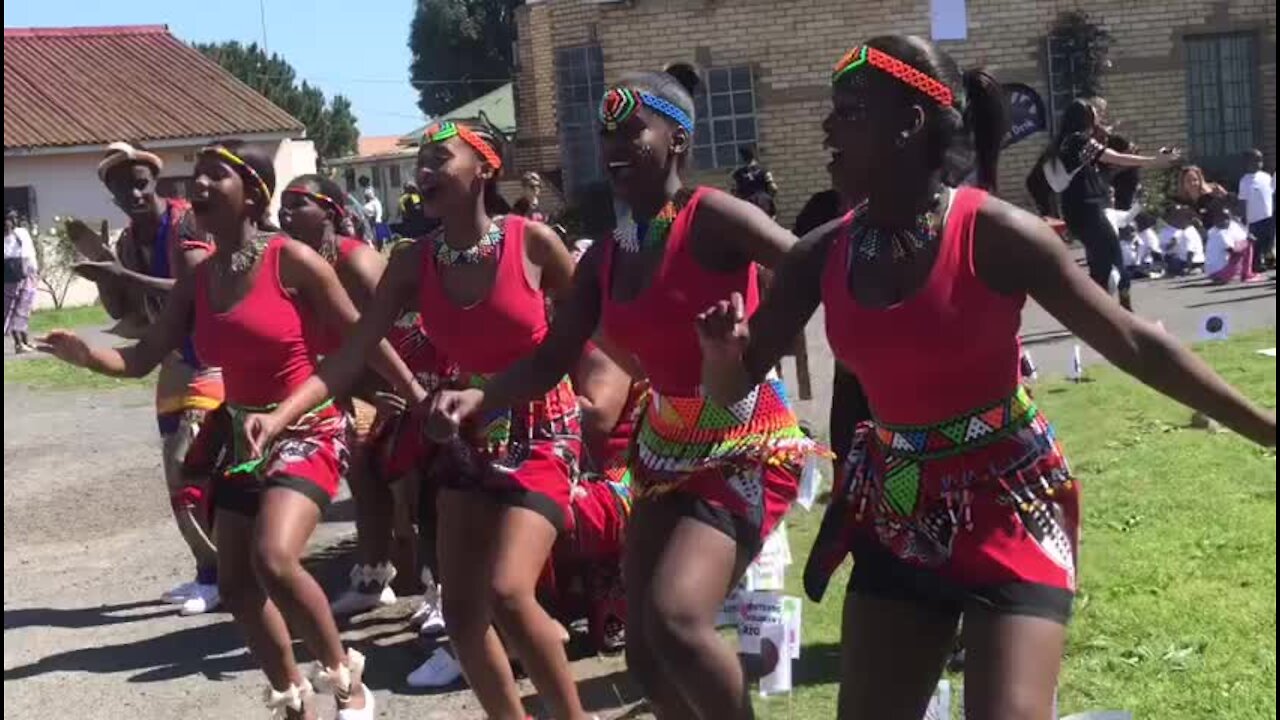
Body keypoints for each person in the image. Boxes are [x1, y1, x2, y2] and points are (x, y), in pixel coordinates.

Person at [692, 35, 1276, 720]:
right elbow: (731, 393)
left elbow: (1135, 344)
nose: (826, 127)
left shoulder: (997, 235)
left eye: (849, 112)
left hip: (1011, 497)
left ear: (909, 125)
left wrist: (1266, 428)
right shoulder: (821, 254)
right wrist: (719, 354)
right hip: (899, 502)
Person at [427, 65, 823, 720]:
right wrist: (482, 400)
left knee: (677, 620)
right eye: (603, 132)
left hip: (741, 442)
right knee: (644, 651)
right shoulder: (605, 255)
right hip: (664, 453)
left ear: (678, 142)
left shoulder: (712, 216)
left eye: (630, 130)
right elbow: (551, 358)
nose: (612, 145)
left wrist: (754, 345)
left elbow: (806, 264)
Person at [39, 141, 424, 719]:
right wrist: (86, 355)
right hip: (244, 435)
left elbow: (359, 332)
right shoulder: (199, 276)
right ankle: (294, 699)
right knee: (239, 585)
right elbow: (142, 358)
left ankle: (347, 682)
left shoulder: (290, 259)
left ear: (251, 195)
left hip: (306, 427)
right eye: (194, 175)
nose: (198, 184)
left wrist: (416, 397)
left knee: (274, 556)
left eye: (215, 175)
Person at [242, 119, 592, 720]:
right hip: (466, 441)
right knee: (459, 613)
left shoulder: (532, 242)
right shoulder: (412, 263)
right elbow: (351, 356)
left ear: (484, 168)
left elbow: (589, 322)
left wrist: (608, 393)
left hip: (542, 430)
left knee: (508, 592)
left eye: (440, 158)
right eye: (420, 160)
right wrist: (280, 417)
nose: (423, 170)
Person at [67, 142, 227, 615]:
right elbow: (126, 311)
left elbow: (194, 288)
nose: (135, 193)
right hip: (174, 362)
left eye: (141, 183)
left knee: (191, 466)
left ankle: (222, 575)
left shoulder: (185, 223)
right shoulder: (125, 242)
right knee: (174, 474)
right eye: (124, 187)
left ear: (153, 182)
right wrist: (104, 276)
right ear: (112, 195)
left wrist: (122, 273)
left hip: (211, 357)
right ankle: (208, 571)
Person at [277, 174, 409, 616]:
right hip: (347, 384)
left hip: (396, 385)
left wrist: (400, 390)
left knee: (416, 490)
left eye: (298, 204)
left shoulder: (356, 262)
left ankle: (439, 588)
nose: (286, 214)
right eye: (283, 205)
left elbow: (404, 330)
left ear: (331, 212)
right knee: (366, 483)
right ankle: (373, 577)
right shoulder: (293, 267)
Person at [1052, 98, 1179, 311]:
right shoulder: (1078, 140)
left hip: (1078, 211)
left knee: (1099, 263)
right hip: (1089, 210)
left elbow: (1102, 166)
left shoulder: (1066, 142)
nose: (1098, 118)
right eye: (1094, 114)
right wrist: (1153, 160)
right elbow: (1115, 157)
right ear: (1086, 118)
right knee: (1113, 260)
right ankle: (1118, 311)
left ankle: (1098, 311)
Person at [1204, 199, 1264, 285]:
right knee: (1247, 245)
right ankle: (1247, 274)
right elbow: (1233, 251)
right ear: (1216, 220)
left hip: (1212, 272)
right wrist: (1248, 241)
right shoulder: (1221, 234)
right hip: (1222, 272)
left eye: (1227, 218)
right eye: (1222, 219)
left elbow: (1240, 238)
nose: (1226, 221)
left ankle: (1236, 274)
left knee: (1244, 244)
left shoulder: (1212, 231)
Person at [4, 210, 39, 354]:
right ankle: (19, 344)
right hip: (10, 278)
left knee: (23, 309)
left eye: (14, 217)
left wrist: (34, 270)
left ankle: (25, 341)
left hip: (26, 276)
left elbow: (29, 253)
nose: (12, 220)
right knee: (12, 310)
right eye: (10, 218)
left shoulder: (21, 233)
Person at [1238, 149, 1275, 273]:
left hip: (1268, 215)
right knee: (1256, 243)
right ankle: (1256, 263)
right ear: (1247, 163)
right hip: (1254, 218)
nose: (1259, 163)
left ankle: (1270, 260)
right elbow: (1242, 200)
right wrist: (1243, 216)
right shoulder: (1245, 181)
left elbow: (1271, 194)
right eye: (1255, 160)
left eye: (1260, 160)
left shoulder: (1266, 176)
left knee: (1269, 240)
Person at [731, 145, 779, 219]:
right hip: (764, 202)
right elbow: (774, 188)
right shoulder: (764, 171)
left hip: (748, 205)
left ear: (743, 158)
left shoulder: (737, 174)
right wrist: (769, 197)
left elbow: (734, 192)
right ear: (754, 157)